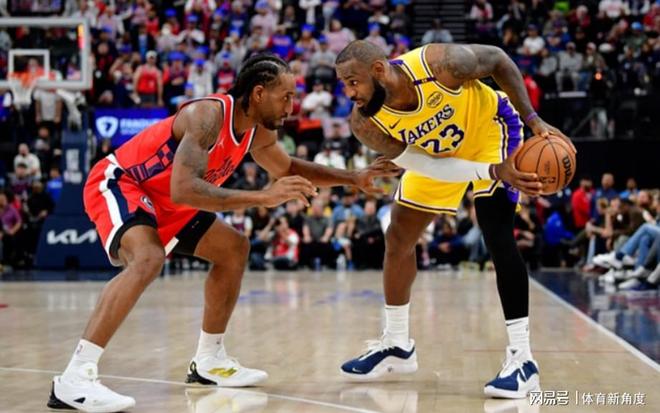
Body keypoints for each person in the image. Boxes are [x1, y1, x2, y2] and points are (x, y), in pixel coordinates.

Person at [48, 53, 398, 413]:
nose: (291, 107)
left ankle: (209, 361)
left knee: (233, 248)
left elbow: (287, 167)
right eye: (286, 97)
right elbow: (184, 189)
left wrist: (352, 178)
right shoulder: (206, 116)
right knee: (148, 258)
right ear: (258, 93)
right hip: (124, 183)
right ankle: (75, 377)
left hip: (169, 203)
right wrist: (262, 197)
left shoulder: (259, 131)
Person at [335, 40, 575, 399]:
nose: (349, 93)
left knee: (496, 232)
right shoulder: (364, 123)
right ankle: (398, 345)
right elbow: (425, 165)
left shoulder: (441, 64)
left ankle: (523, 360)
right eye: (344, 85)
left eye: (353, 82)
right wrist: (489, 171)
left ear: (379, 70)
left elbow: (498, 60)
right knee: (398, 237)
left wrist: (533, 119)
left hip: (490, 131)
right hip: (437, 156)